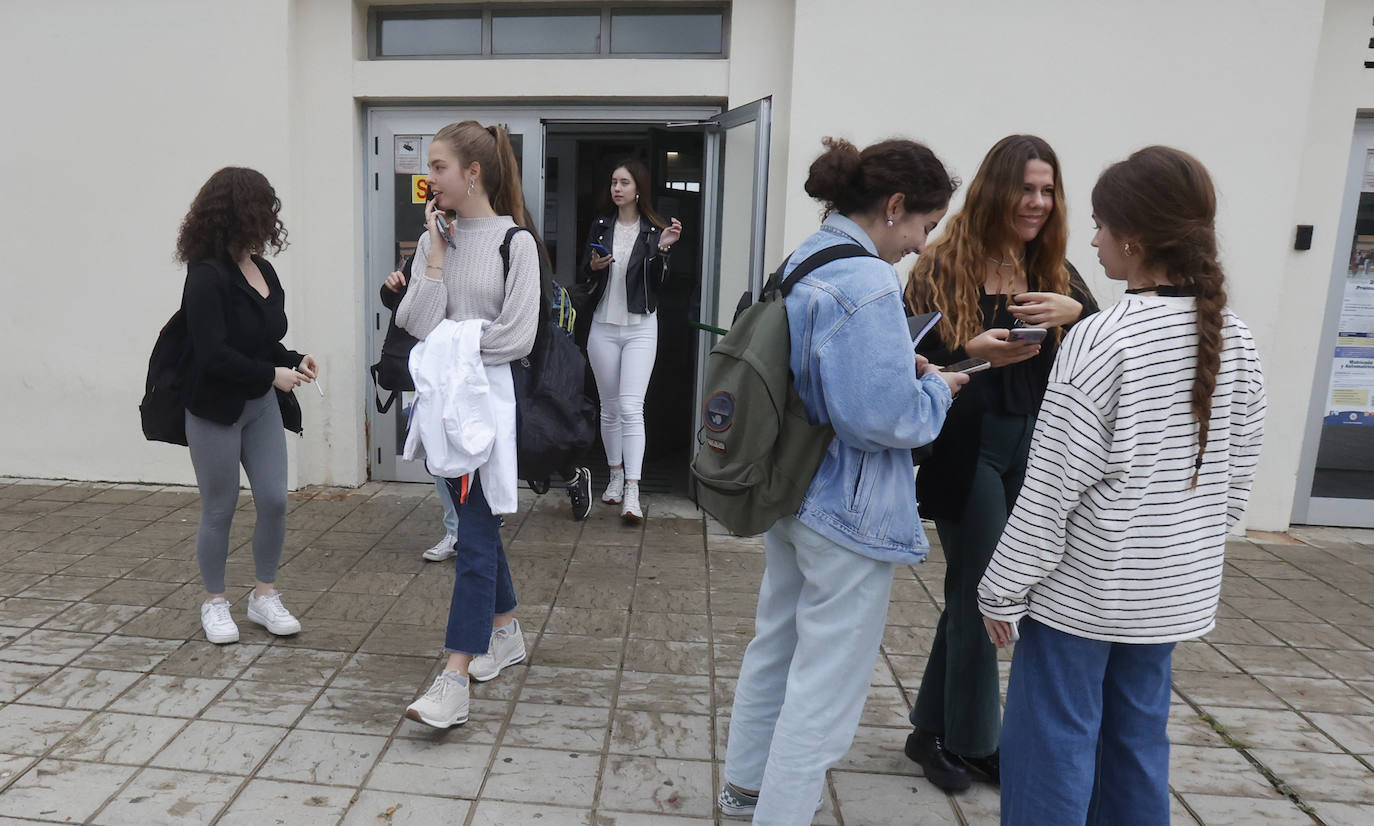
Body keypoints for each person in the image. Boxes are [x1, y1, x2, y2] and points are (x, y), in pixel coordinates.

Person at [978, 145, 1267, 825]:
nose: (1093, 237)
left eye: (1103, 224)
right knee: (1138, 742)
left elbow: (1052, 487)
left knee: (1051, 744)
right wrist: (1185, 546)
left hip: (1086, 592)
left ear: (1135, 238)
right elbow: (1236, 478)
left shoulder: (1102, 340)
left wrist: (1002, 585)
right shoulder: (1237, 337)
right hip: (1171, 592)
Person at [718, 137, 967, 824]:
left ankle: (743, 792)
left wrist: (897, 365)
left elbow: (822, 373)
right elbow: (879, 419)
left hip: (791, 489)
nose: (921, 243)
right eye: (924, 224)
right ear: (893, 207)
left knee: (776, 645)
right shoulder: (866, 281)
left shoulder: (808, 257)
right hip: (849, 510)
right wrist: (939, 389)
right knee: (824, 686)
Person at [901, 135, 1098, 790]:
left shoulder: (1058, 275)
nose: (1038, 202)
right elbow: (906, 363)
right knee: (988, 591)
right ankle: (974, 742)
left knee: (969, 590)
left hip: (1034, 450)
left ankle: (933, 729)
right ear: (995, 190)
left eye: (1048, 190)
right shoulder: (938, 266)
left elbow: (1109, 351)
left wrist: (1081, 314)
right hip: (966, 447)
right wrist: (972, 352)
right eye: (1027, 188)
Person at [396, 121, 541, 728]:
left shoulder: (518, 244)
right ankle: (504, 630)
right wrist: (432, 253)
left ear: (473, 172)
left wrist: (452, 344)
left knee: (474, 539)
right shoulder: (441, 239)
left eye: (439, 166)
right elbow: (413, 321)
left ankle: (455, 676)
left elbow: (516, 336)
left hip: (489, 410)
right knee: (479, 531)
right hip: (446, 410)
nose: (429, 178)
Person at [177, 167, 316, 646]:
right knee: (220, 506)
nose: (270, 217)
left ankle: (264, 596)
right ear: (238, 211)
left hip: (260, 405)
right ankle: (214, 602)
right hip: (214, 409)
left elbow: (262, 341)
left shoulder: (264, 269)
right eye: (263, 207)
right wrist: (269, 375)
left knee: (275, 500)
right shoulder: (206, 276)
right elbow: (213, 354)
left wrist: (293, 360)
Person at [382, 257, 591, 562]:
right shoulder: (431, 248)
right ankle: (459, 530)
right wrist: (393, 290)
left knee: (530, 439)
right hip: (445, 365)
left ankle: (567, 474)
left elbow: (536, 310)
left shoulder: (511, 241)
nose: (437, 213)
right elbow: (409, 311)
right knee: (445, 449)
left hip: (499, 364)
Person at [577, 159, 684, 523]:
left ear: (638, 188)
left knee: (629, 407)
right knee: (608, 407)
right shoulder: (601, 225)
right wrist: (593, 267)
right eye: (613, 182)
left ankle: (633, 491)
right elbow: (584, 271)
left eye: (623, 182)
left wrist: (664, 251)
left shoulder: (655, 230)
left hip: (640, 326)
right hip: (603, 326)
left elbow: (657, 283)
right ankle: (615, 475)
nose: (617, 188)